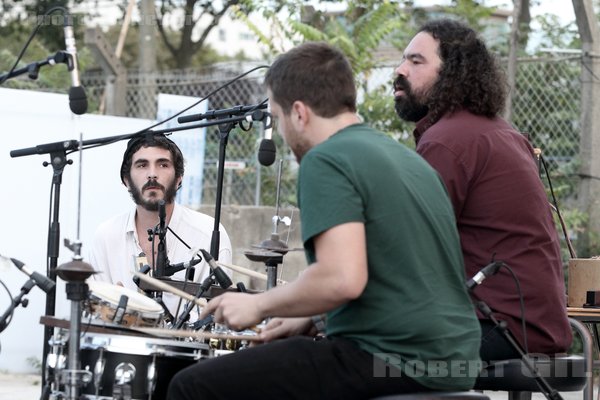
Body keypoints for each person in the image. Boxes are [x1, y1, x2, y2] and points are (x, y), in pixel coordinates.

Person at [167, 42, 481, 400]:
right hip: (454, 359)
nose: (282, 134)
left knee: (190, 385)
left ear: (299, 113)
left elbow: (341, 278)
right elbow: (398, 278)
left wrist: (258, 304)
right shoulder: (410, 162)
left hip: (389, 359)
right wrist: (313, 317)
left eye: (278, 117)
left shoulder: (327, 159)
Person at [393, 18, 572, 361]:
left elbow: (409, 250)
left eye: (416, 61)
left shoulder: (448, 142)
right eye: (403, 59)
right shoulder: (497, 132)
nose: (400, 70)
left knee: (357, 353)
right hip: (533, 324)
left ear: (453, 74)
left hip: (498, 327)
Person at [88, 133, 233, 322]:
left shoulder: (209, 234)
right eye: (142, 165)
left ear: (179, 178)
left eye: (163, 164)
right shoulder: (106, 236)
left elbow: (215, 320)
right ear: (126, 180)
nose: (152, 174)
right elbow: (95, 313)